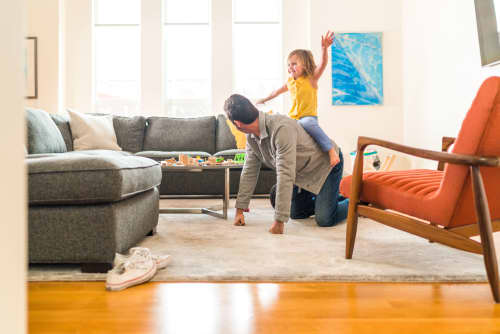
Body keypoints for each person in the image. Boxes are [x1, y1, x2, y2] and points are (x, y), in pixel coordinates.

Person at [224, 94, 349, 234]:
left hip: (325, 166)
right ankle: (328, 199)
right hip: (301, 173)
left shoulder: (281, 129)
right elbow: (249, 171)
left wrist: (279, 221)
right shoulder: (251, 138)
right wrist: (239, 211)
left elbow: (285, 173)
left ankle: (355, 202)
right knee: (296, 213)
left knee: (325, 219)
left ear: (237, 123)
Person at [256, 31, 339, 167]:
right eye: (289, 65)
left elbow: (323, 63)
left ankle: (330, 150)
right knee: (281, 124)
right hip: (294, 118)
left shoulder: (311, 78)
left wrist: (324, 49)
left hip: (308, 117)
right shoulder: (290, 82)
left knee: (307, 124)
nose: (290, 67)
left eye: (294, 64)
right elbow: (277, 91)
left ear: (305, 64)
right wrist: (264, 99)